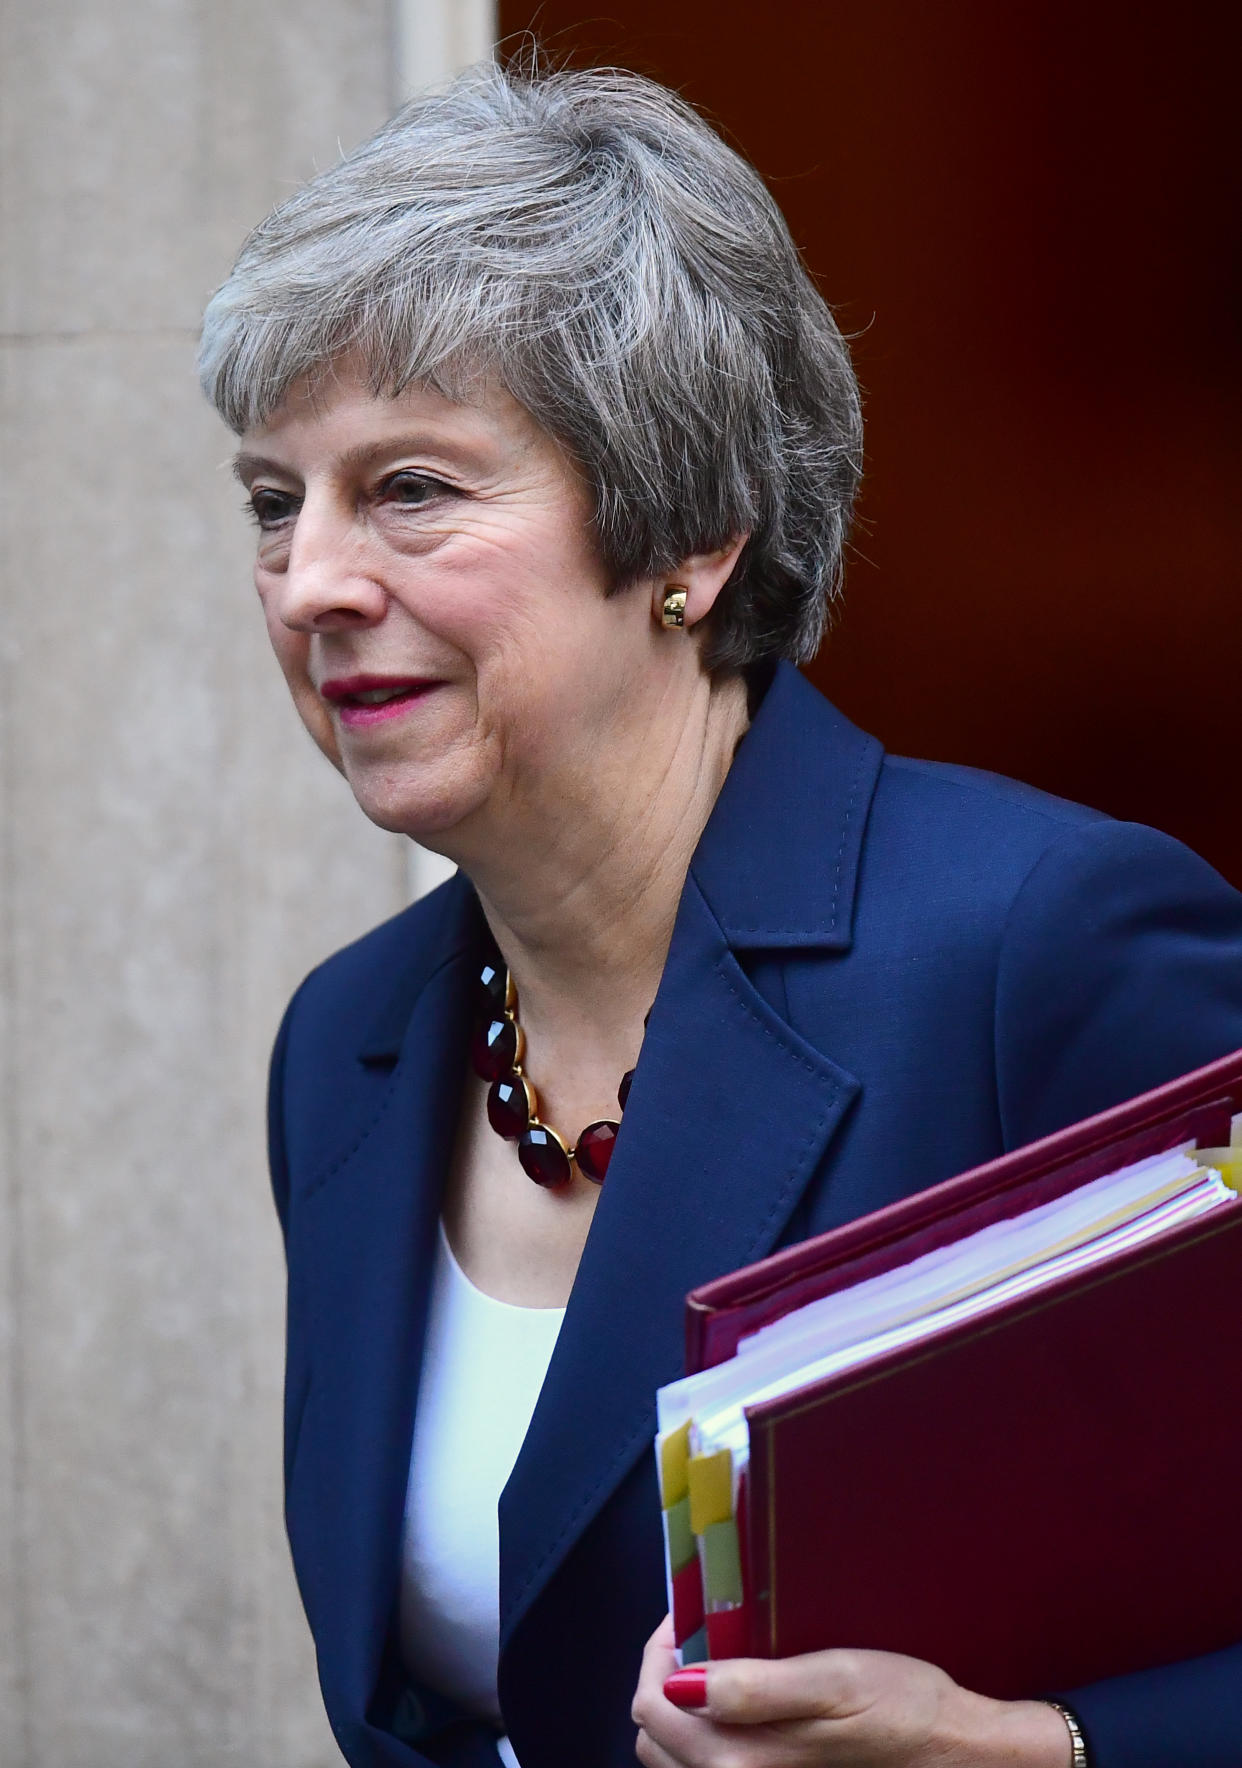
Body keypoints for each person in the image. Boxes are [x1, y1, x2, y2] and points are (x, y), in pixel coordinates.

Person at [198, 57, 1242, 1768]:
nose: (311, 581)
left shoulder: (1041, 948)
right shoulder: (349, 1043)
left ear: (686, 528)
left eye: (410, 489)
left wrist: (1039, 1751)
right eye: (272, 502)